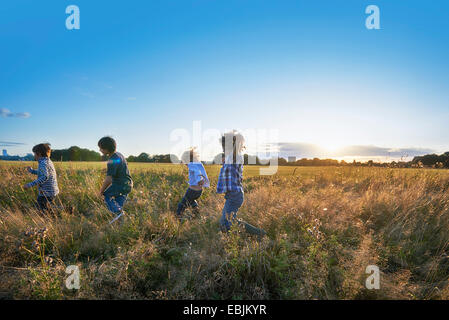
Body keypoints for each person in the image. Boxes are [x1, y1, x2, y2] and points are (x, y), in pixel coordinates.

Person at [217, 131, 266, 237]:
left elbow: (233, 156)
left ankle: (259, 233)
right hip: (232, 195)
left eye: (226, 147)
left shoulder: (237, 157)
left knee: (227, 222)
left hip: (235, 195)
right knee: (225, 222)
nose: (224, 150)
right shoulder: (230, 158)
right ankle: (233, 236)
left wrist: (234, 142)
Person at [97, 136, 133, 224]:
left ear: (106, 148)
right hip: (128, 184)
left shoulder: (112, 159)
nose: (100, 150)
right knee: (118, 201)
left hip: (120, 184)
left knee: (106, 196)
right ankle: (120, 220)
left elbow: (109, 179)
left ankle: (118, 213)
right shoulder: (119, 155)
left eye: (101, 148)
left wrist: (101, 191)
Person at [24, 143, 59, 212]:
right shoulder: (48, 161)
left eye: (34, 154)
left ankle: (62, 211)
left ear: (39, 154)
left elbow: (45, 176)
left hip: (47, 192)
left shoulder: (43, 163)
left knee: (42, 207)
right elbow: (42, 172)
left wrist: (30, 184)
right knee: (46, 206)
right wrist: (32, 171)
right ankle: (64, 210)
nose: (34, 156)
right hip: (51, 190)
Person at [176, 148, 209, 219]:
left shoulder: (191, 164)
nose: (184, 163)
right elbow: (201, 172)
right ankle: (196, 212)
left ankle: (178, 218)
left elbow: (197, 173)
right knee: (191, 201)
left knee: (182, 205)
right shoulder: (198, 164)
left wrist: (198, 180)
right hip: (199, 191)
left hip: (192, 190)